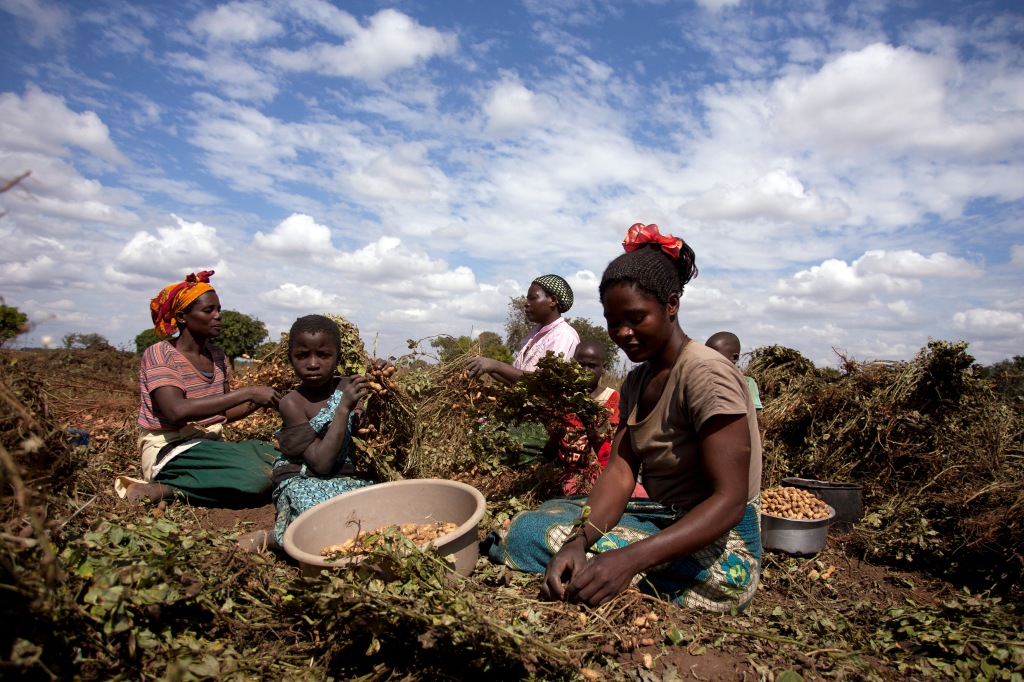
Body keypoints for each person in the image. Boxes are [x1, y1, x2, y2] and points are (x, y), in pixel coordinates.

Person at [486, 223, 763, 613]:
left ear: (671, 305)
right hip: (662, 519)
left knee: (526, 536)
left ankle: (633, 568)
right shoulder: (638, 380)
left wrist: (630, 560)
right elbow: (619, 472)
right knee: (540, 522)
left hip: (723, 544)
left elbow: (730, 502)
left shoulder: (706, 374)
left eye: (635, 318)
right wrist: (578, 543)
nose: (623, 333)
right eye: (613, 322)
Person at [117, 271, 281, 506]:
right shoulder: (160, 354)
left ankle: (212, 473)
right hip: (171, 448)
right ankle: (166, 487)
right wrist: (248, 392)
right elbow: (176, 411)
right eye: (208, 311)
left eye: (219, 310)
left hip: (208, 443)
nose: (218, 317)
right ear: (182, 317)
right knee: (254, 480)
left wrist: (263, 398)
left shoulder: (217, 355)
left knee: (280, 457)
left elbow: (222, 414)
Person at [240, 315, 377, 551]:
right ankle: (272, 537)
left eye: (323, 355)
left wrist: (379, 383)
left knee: (381, 504)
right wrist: (343, 408)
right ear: (290, 359)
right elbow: (321, 464)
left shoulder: (346, 386)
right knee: (313, 511)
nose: (312, 364)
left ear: (338, 358)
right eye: (302, 356)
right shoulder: (292, 403)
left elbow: (367, 429)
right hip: (306, 478)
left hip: (347, 478)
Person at [546, 339, 647, 498]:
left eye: (592, 366)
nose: (585, 370)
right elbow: (550, 450)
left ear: (603, 369)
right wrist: (555, 435)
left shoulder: (613, 400)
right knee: (578, 496)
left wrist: (597, 433)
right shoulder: (563, 400)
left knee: (640, 497)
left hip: (606, 471)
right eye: (580, 365)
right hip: (573, 474)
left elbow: (613, 440)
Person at [466, 274, 580, 383]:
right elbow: (516, 383)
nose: (526, 304)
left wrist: (496, 365)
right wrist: (487, 367)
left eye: (532, 298)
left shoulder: (563, 335)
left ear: (553, 301)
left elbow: (547, 383)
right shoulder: (535, 335)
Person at [706, 331, 762, 412]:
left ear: (735, 358)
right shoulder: (703, 380)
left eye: (715, 357)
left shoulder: (747, 383)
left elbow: (752, 414)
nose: (708, 360)